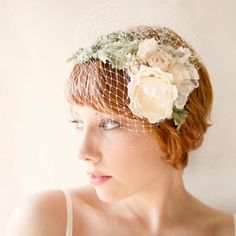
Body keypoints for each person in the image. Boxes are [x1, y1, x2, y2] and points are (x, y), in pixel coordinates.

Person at [5, 25, 236, 236]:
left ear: (179, 128)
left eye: (109, 124)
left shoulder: (227, 230)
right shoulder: (45, 220)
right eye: (78, 123)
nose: (83, 152)